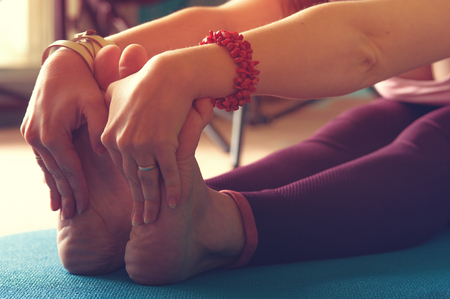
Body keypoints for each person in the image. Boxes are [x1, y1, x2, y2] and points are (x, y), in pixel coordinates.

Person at [21, 0, 450, 285]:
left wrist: (190, 72)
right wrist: (80, 56)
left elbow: (365, 45)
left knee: (423, 153)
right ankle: (156, 208)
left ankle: (220, 228)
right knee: (334, 145)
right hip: (415, 104)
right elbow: (232, 19)